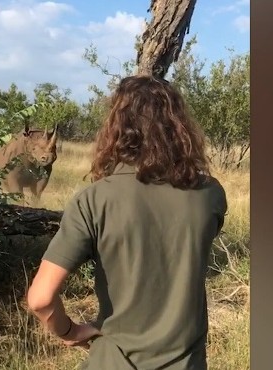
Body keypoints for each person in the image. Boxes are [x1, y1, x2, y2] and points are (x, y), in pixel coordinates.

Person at [27, 75, 227, 370]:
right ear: (179, 127)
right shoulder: (210, 195)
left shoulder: (94, 201)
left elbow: (40, 299)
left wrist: (70, 332)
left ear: (116, 129)